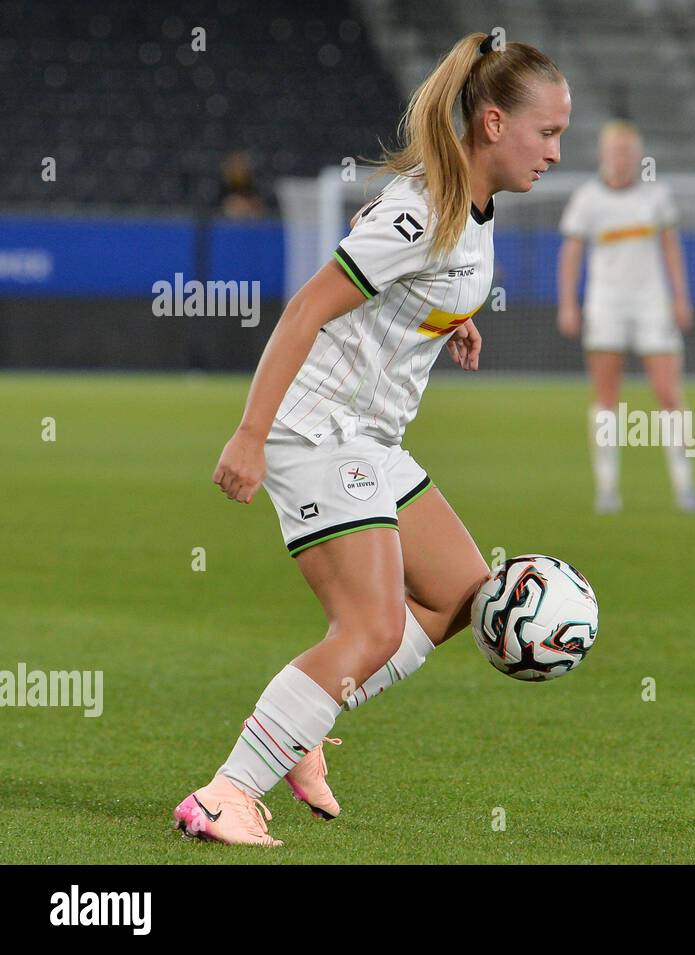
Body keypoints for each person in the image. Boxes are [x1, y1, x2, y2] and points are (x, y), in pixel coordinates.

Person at [172, 33, 570, 846]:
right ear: (494, 122)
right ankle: (224, 795)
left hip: (372, 434)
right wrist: (251, 434)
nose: (557, 153)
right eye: (549, 132)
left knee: (461, 590)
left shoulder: (472, 204)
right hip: (317, 428)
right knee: (371, 628)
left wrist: (447, 325)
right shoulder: (422, 211)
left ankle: (304, 722)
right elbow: (306, 308)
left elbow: (415, 292)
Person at [556, 120, 695, 513]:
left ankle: (685, 486)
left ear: (638, 156)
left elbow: (672, 249)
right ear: (604, 155)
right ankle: (607, 489)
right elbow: (571, 253)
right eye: (614, 150)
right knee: (606, 398)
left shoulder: (656, 197)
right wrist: (568, 303)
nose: (621, 158)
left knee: (670, 395)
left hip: (652, 303)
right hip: (606, 305)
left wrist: (680, 297)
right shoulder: (587, 199)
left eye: (627, 151)